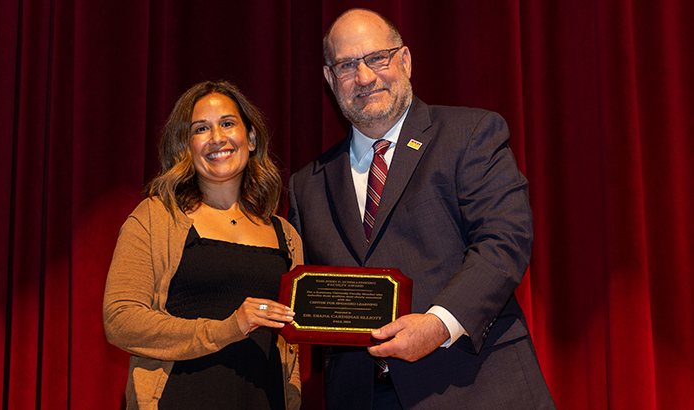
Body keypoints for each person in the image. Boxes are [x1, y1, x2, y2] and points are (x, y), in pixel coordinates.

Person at [288, 9, 556, 410]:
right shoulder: (306, 184)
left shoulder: (470, 134)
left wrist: (437, 325)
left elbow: (505, 242)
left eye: (377, 58)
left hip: (473, 385)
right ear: (330, 79)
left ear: (406, 60)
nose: (364, 77)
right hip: (359, 396)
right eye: (347, 66)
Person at [103, 80, 303, 410]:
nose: (217, 139)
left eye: (227, 123)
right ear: (187, 145)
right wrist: (226, 328)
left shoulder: (286, 235)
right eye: (201, 129)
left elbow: (295, 342)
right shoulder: (156, 218)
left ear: (251, 138)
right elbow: (121, 319)